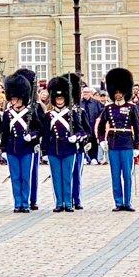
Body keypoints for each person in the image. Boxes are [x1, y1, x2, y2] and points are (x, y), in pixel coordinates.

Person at [97, 68, 139, 212]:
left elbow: (137, 127)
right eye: (116, 93)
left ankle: (127, 202)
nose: (118, 95)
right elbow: (101, 125)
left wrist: (136, 146)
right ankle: (118, 202)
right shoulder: (108, 108)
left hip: (127, 142)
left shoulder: (132, 107)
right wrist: (102, 140)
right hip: (114, 143)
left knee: (127, 175)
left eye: (120, 93)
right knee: (115, 175)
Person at [0, 73, 42, 213]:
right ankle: (17, 203)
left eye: (16, 99)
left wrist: (32, 136)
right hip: (12, 149)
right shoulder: (8, 114)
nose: (13, 102)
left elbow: (38, 128)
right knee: (15, 178)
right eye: (12, 99)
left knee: (25, 177)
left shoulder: (30, 112)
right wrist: (4, 150)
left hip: (26, 149)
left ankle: (25, 202)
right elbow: (5, 133)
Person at [44, 76, 86, 212]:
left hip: (68, 148)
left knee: (67, 177)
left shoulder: (72, 114)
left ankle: (68, 203)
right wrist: (44, 152)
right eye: (57, 99)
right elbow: (45, 135)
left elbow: (81, 130)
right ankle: (58, 203)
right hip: (53, 149)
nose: (60, 101)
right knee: (56, 177)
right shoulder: (49, 115)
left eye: (62, 99)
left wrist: (76, 137)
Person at [80, 86, 104, 164]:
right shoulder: (78, 103)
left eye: (87, 92)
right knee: (82, 142)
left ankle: (93, 157)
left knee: (93, 141)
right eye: (84, 92)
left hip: (93, 125)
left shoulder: (97, 103)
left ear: (91, 93)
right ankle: (84, 158)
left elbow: (102, 113)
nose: (85, 94)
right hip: (82, 127)